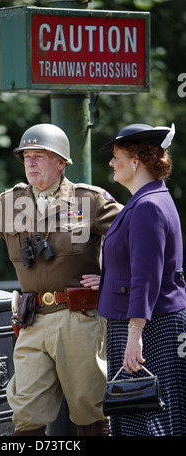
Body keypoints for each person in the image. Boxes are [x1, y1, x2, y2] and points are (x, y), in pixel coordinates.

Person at [0, 123, 123, 436]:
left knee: (90, 412)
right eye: (26, 157)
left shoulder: (89, 200)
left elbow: (135, 236)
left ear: (60, 162)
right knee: (26, 413)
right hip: (31, 321)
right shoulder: (9, 203)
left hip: (80, 319)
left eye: (39, 156)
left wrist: (113, 279)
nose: (30, 163)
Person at [96, 123, 186, 436]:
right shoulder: (149, 199)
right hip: (149, 322)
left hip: (147, 325)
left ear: (136, 161)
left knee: (146, 418)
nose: (111, 163)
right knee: (146, 414)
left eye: (116, 156)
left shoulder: (147, 205)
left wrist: (135, 333)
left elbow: (147, 276)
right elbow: (138, 266)